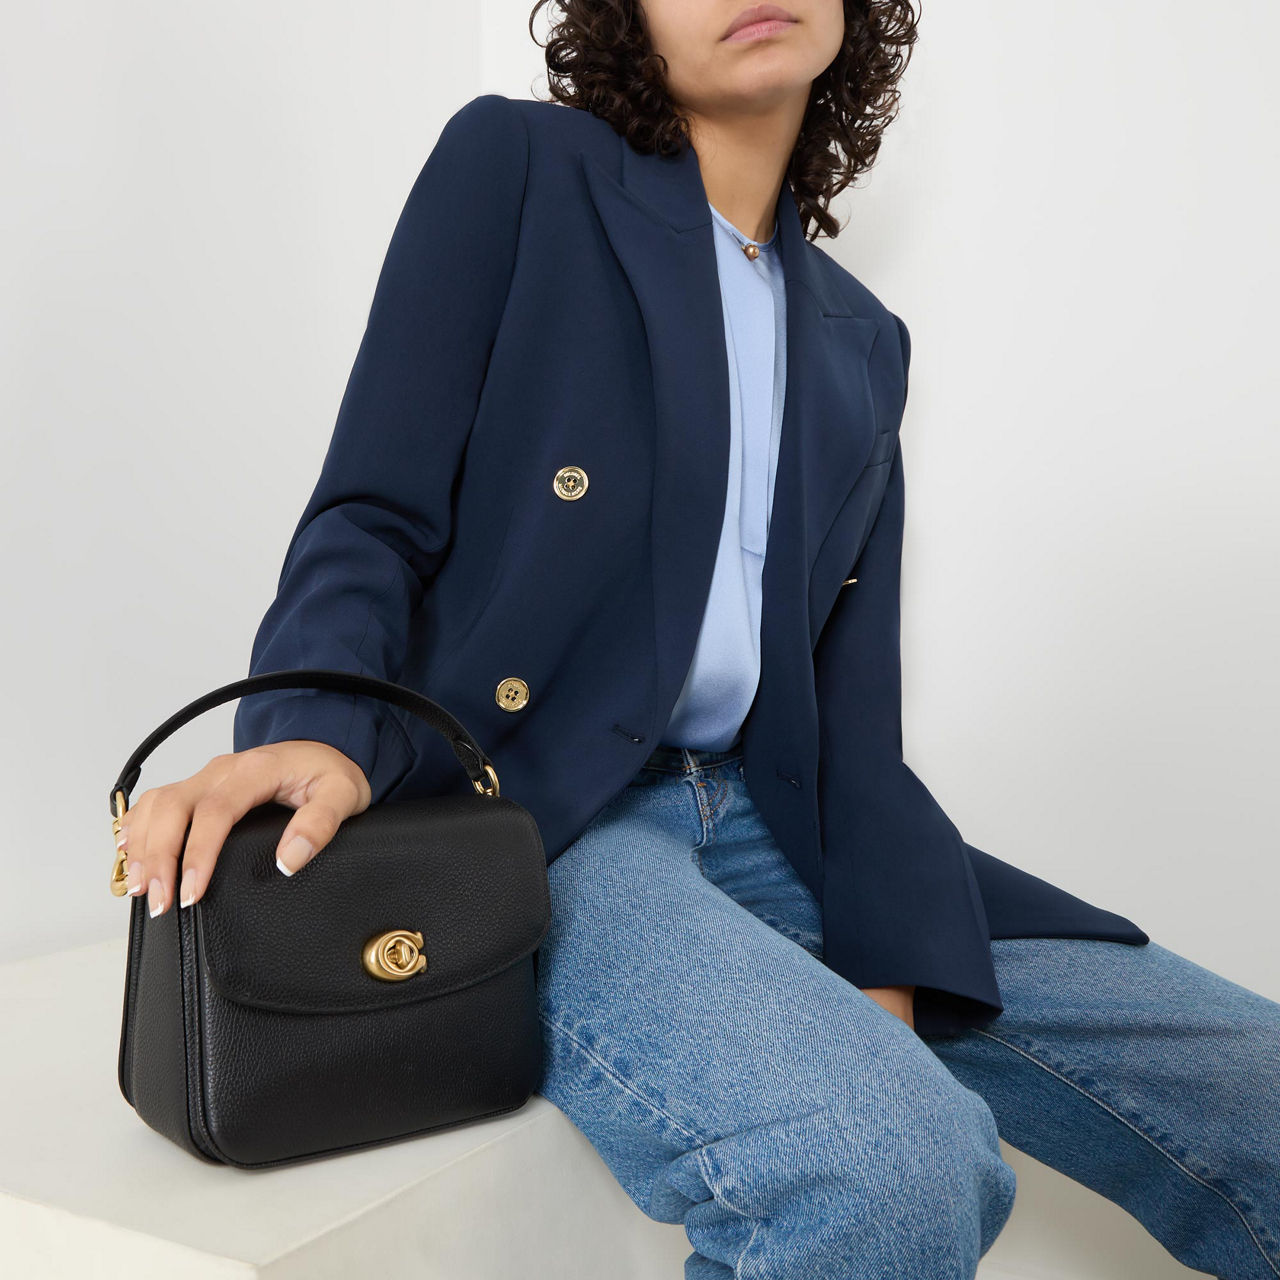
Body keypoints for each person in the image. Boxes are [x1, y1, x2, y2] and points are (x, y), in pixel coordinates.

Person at [114, 2, 1280, 1275]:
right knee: (884, 1162)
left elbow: (849, 703)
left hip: (783, 824)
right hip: (551, 816)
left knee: (1258, 1085)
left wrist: (880, 957)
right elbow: (372, 512)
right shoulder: (521, 167)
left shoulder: (860, 337)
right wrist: (318, 730)